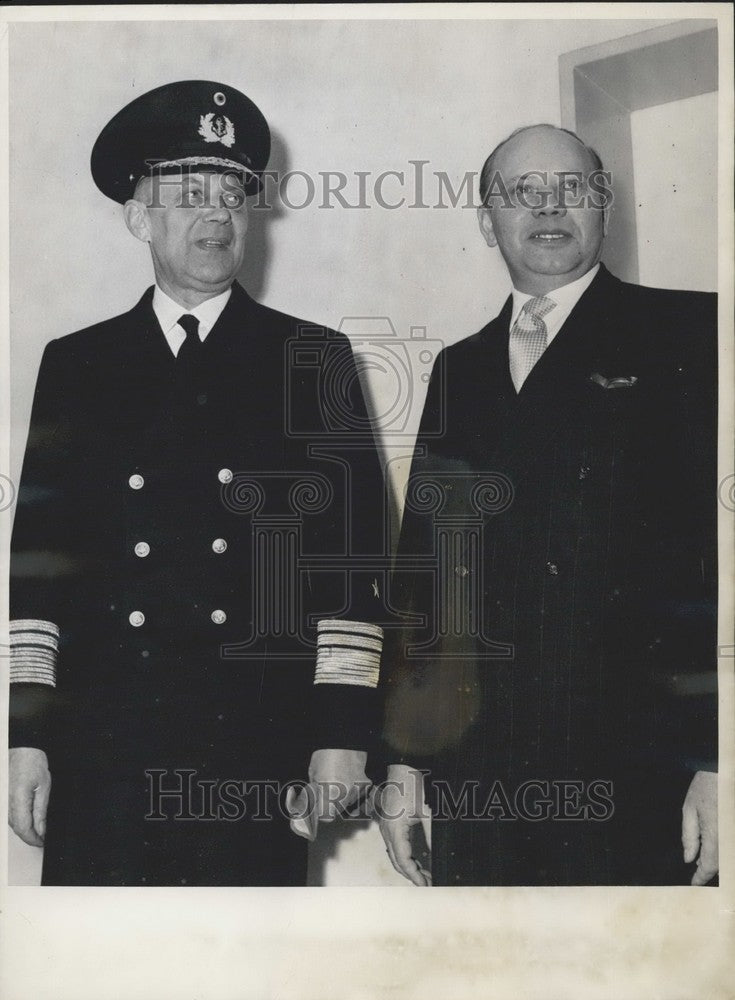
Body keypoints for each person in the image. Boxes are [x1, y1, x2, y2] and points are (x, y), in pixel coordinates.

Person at [8, 80, 386, 885]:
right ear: (138, 216)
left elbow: (352, 573)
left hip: (251, 740)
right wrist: (26, 735)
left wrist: (342, 732)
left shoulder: (310, 359)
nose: (217, 215)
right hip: (103, 743)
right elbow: (39, 568)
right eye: (189, 195)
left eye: (233, 196)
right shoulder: (77, 365)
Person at [377, 124, 718, 886]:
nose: (547, 206)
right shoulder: (457, 370)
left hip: (642, 770)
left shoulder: (692, 333)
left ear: (605, 206)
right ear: (484, 218)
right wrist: (404, 766)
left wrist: (717, 758)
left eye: (570, 187)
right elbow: (423, 582)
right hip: (481, 778)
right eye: (520, 191)